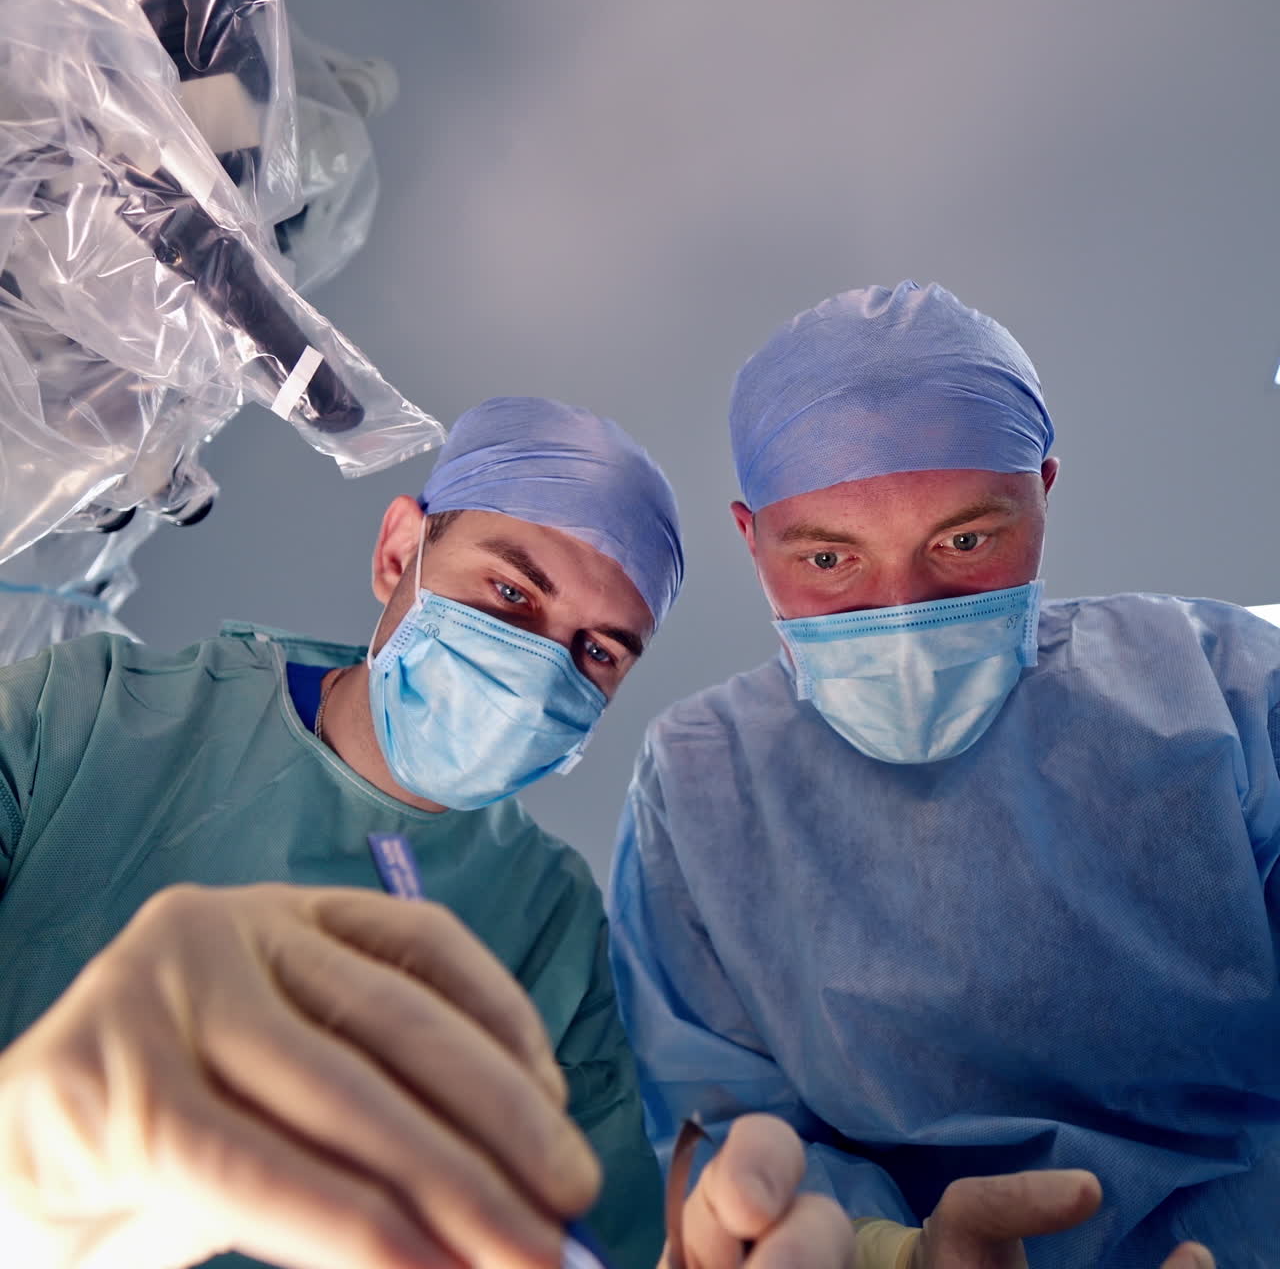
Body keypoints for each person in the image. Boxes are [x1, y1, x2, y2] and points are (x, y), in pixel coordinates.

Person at [0, 397, 854, 1269]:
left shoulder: (553, 931)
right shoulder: (84, 715)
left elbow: (613, 1230)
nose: (536, 672)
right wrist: (28, 1171)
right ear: (400, 554)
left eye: (598, 651)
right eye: (511, 593)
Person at [607, 283, 1277, 1268]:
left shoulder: (1222, 689)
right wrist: (886, 1251)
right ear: (750, 539)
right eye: (829, 559)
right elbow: (722, 1120)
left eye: (964, 542)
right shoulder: (700, 783)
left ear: (1041, 490)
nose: (903, 613)